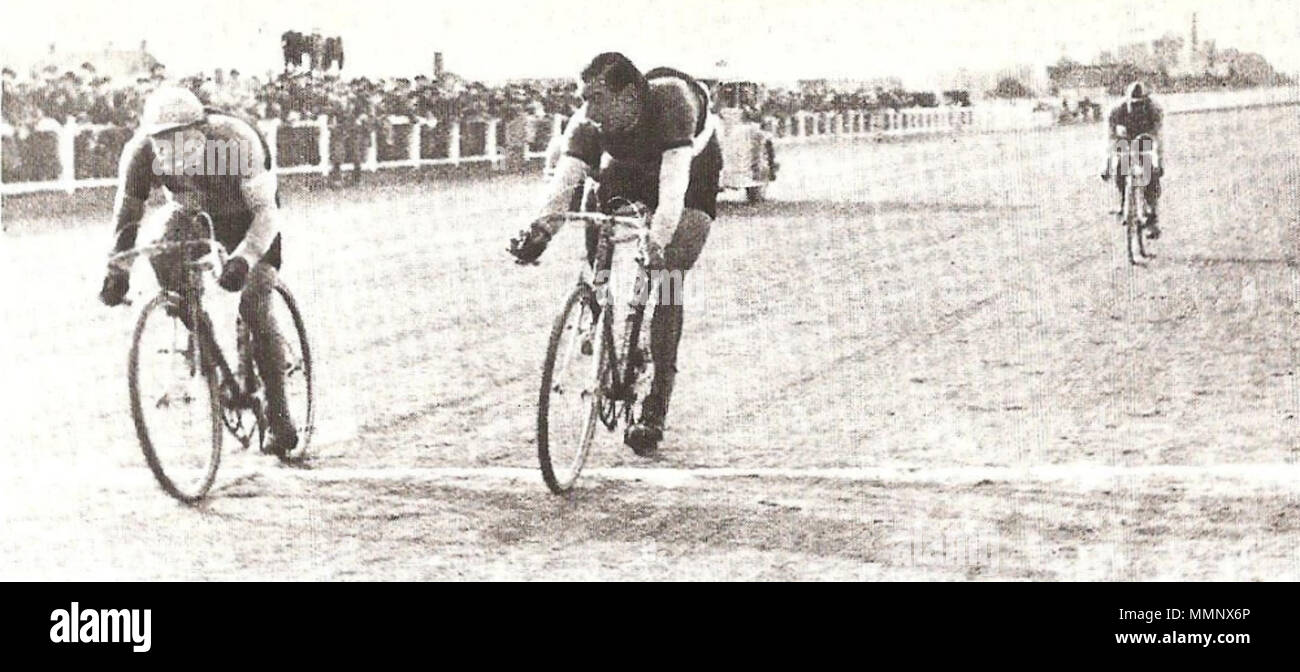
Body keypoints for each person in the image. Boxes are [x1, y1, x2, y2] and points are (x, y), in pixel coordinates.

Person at [507, 53, 721, 456]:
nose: (588, 109)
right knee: (593, 202)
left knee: (668, 279)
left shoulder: (673, 104)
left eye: (597, 97)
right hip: (632, 164)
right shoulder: (589, 122)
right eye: (583, 97)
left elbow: (673, 191)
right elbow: (562, 187)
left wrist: (657, 241)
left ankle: (655, 406)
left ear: (629, 96)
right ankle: (597, 299)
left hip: (691, 170)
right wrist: (539, 232)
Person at [97, 86, 299, 458]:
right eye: (162, 145)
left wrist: (245, 257)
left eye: (181, 144)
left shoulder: (235, 140)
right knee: (161, 249)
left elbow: (266, 214)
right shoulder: (140, 154)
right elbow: (128, 218)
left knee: (254, 301)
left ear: (202, 131)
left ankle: (280, 413)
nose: (171, 155)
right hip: (193, 214)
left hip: (248, 218)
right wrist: (118, 269)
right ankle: (203, 339)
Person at [1102, 81, 1164, 239]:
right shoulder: (1116, 111)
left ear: (1146, 100)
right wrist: (1107, 165)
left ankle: (1151, 214)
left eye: (1140, 104)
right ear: (1127, 99)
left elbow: (1159, 138)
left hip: (1145, 138)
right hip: (1125, 139)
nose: (1137, 107)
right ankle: (1124, 201)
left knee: (1150, 171)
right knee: (1120, 166)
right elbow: (1109, 141)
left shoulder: (1153, 109)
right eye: (1134, 104)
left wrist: (1160, 162)